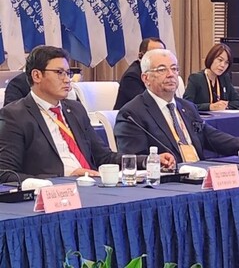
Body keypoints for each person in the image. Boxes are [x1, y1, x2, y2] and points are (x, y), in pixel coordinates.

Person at [0, 45, 175, 182]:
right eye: (59, 73)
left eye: (68, 73)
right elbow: (5, 173)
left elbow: (104, 157)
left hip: (91, 186)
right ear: (37, 76)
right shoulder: (15, 116)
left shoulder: (75, 110)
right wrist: (65, 177)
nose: (67, 79)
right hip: (55, 194)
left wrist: (148, 161)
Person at [114, 48, 239, 163]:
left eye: (174, 69)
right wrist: (156, 161)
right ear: (146, 78)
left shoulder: (187, 107)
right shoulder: (132, 114)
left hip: (199, 174)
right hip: (169, 180)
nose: (171, 75)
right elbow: (131, 160)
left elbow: (212, 137)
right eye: (162, 70)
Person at [183, 43, 239, 111]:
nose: (223, 65)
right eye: (220, 60)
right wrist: (209, 107)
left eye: (226, 62)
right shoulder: (196, 78)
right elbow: (186, 105)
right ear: (211, 58)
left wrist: (225, 105)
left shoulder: (224, 78)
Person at [113, 37, 165, 110]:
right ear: (141, 56)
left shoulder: (166, 74)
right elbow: (147, 104)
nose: (160, 58)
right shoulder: (131, 77)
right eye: (154, 54)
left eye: (162, 54)